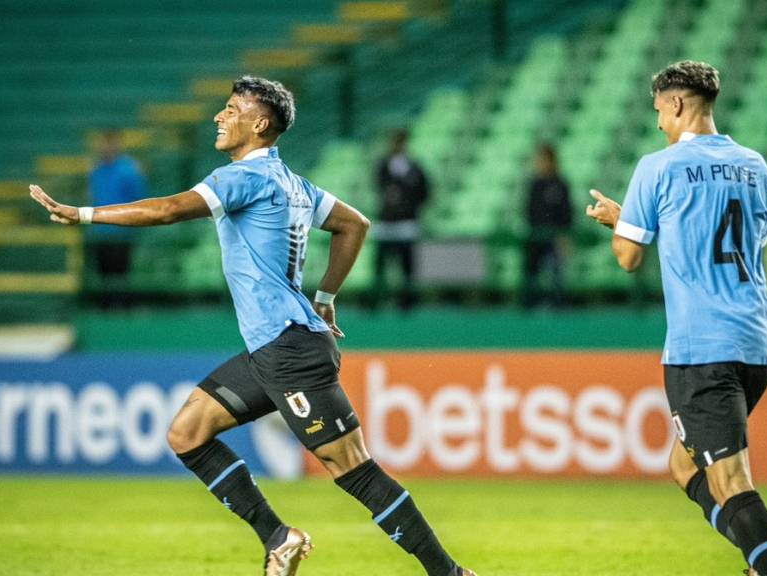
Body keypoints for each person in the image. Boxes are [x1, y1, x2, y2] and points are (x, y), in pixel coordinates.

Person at [31, 76, 475, 576]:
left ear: (259, 124)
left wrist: (84, 214)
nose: (219, 117)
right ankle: (278, 537)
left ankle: (450, 573)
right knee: (187, 433)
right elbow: (355, 224)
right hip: (274, 347)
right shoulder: (294, 184)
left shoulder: (242, 178)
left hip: (288, 348)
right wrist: (325, 297)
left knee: (352, 468)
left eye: (230, 109)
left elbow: (167, 211)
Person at [585, 61, 767, 576]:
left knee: (730, 481)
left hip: (702, 347)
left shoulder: (658, 167)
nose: (658, 121)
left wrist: (621, 224)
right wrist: (639, 220)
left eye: (658, 109)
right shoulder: (755, 166)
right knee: (684, 467)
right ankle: (757, 558)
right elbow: (741, 241)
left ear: (676, 103)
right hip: (756, 342)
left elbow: (628, 258)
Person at [88, 129, 147, 307]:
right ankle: (106, 310)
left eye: (110, 143)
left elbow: (139, 199)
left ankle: (122, 312)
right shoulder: (96, 171)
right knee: (103, 280)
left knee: (121, 278)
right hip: (100, 232)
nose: (106, 147)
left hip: (122, 233)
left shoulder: (129, 170)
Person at [373, 128, 430, 310]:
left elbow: (425, 191)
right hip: (387, 222)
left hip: (406, 221)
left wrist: (410, 205)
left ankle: (406, 302)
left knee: (407, 265)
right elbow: (379, 188)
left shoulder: (414, 167)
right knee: (381, 263)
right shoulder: (384, 165)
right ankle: (377, 301)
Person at [522, 143, 573, 307]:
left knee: (556, 274)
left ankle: (558, 305)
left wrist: (564, 236)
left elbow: (566, 212)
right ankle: (529, 305)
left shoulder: (560, 184)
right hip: (536, 237)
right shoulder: (534, 185)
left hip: (555, 238)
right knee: (531, 272)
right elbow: (529, 211)